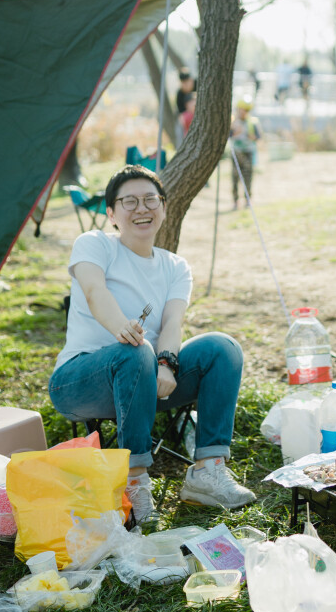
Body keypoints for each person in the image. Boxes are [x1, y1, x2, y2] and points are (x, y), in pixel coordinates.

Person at [48, 164, 255, 524]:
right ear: (111, 213)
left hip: (147, 380)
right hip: (80, 382)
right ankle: (133, 479)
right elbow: (95, 292)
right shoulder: (95, 244)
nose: (141, 209)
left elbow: (173, 322)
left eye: (150, 200)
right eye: (129, 202)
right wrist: (123, 330)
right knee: (134, 350)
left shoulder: (176, 267)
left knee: (222, 347)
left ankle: (207, 470)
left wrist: (167, 363)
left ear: (163, 207)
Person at [230, 100, 260, 208]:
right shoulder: (233, 121)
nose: (243, 112)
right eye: (241, 109)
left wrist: (252, 137)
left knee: (248, 176)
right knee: (235, 177)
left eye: (246, 110)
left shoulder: (252, 122)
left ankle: (248, 199)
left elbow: (258, 136)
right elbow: (228, 136)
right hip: (236, 152)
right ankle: (235, 200)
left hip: (248, 151)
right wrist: (234, 133)